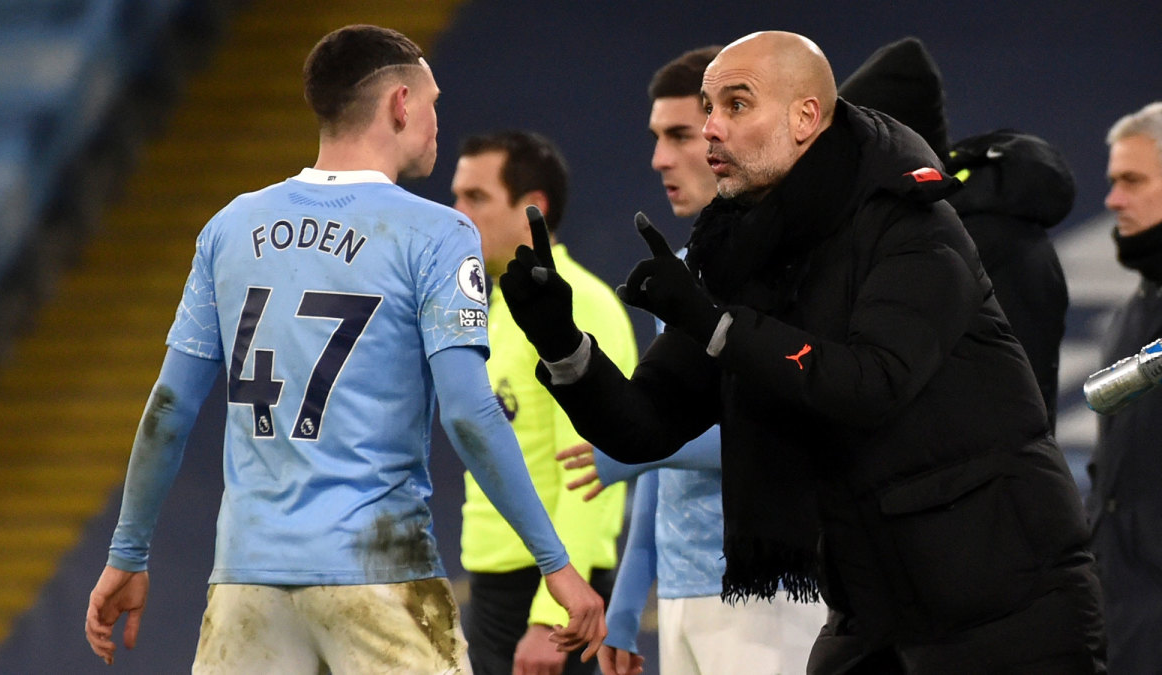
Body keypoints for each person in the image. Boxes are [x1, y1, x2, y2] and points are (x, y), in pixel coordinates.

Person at [498, 30, 1105, 674]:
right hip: (874, 603)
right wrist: (561, 342)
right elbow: (642, 426)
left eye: (735, 105)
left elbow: (870, 385)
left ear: (805, 117)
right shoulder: (737, 250)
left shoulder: (909, 223)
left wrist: (715, 323)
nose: (710, 129)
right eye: (707, 108)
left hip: (1007, 597)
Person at [82, 24, 606, 673]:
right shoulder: (437, 234)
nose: (438, 119)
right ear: (400, 105)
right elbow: (469, 412)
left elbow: (168, 408)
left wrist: (128, 552)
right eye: (432, 101)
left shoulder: (229, 227)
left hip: (247, 580)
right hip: (378, 573)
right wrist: (555, 562)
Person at [559, 46, 824, 675]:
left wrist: (642, 448)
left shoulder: (794, 262)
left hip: (775, 587)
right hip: (684, 592)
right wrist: (629, 601)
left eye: (681, 134)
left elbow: (795, 425)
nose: (662, 157)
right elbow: (667, 439)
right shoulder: (681, 272)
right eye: (661, 136)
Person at [449, 130, 637, 675]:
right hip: (494, 584)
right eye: (457, 196)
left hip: (550, 594)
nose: (457, 214)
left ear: (533, 207)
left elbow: (592, 476)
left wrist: (548, 618)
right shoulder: (498, 308)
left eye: (476, 198)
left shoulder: (580, 308)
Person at [838, 36, 1072, 430]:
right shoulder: (932, 228)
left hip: (982, 486)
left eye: (854, 145)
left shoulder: (993, 243)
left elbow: (1004, 405)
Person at [1086, 101, 1162, 674]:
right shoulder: (1133, 312)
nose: (1113, 200)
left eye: (1132, 181)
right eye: (1114, 181)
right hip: (1117, 619)